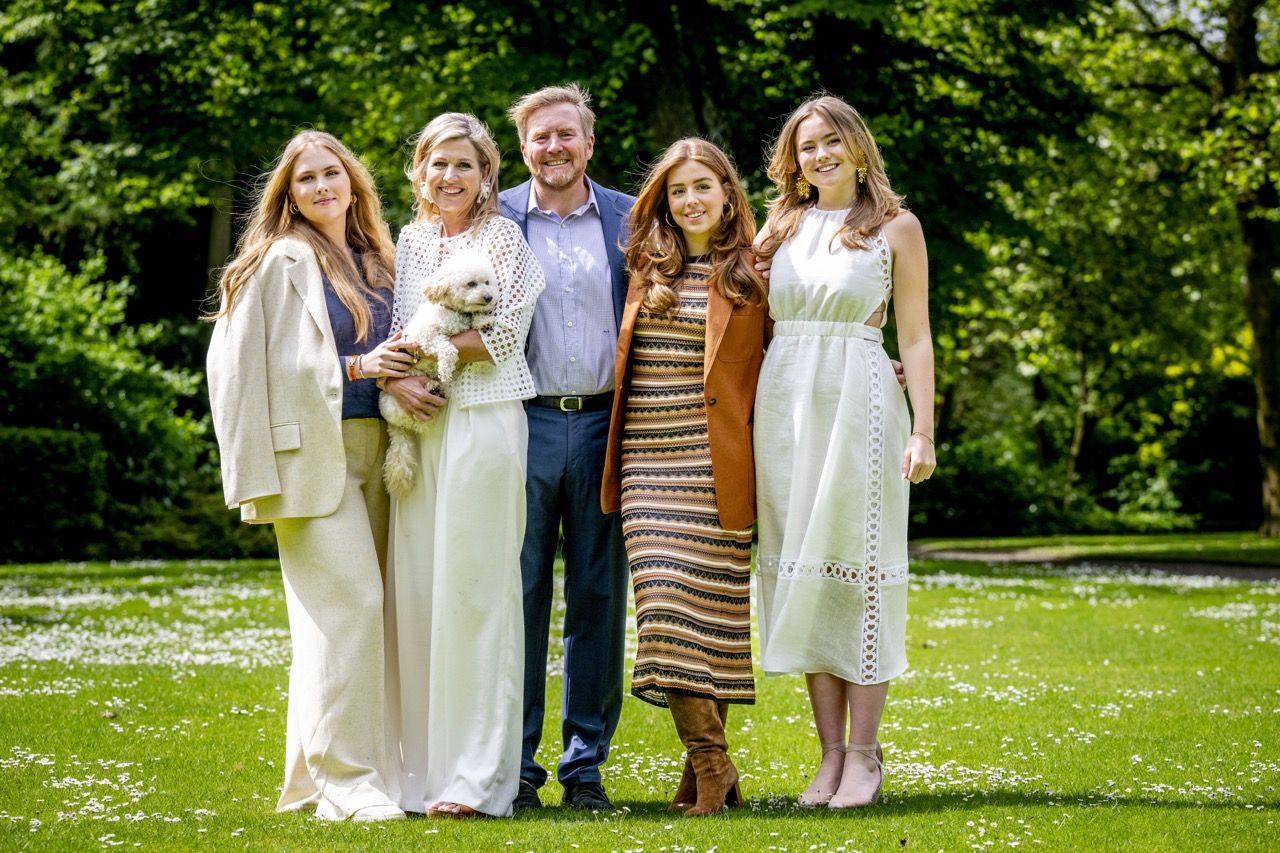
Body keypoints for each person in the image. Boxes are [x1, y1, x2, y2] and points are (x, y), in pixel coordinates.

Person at [206, 129, 413, 822]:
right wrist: (249, 479)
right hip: (307, 459)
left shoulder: (383, 259)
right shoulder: (272, 261)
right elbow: (234, 372)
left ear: (354, 182)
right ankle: (344, 784)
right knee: (350, 607)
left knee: (350, 622)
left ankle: (307, 777)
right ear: (287, 194)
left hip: (383, 452)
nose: (322, 187)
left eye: (333, 173)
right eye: (306, 179)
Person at [753, 94, 937, 810]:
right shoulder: (779, 225)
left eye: (831, 141)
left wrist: (923, 427)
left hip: (859, 400)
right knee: (805, 577)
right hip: (784, 405)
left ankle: (866, 753)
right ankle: (828, 757)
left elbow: (915, 336)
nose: (819, 155)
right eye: (806, 146)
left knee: (858, 572)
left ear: (858, 147)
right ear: (792, 160)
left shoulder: (898, 227)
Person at [380, 113, 545, 818]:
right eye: (437, 164)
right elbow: (393, 330)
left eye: (465, 166)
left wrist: (422, 358)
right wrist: (396, 379)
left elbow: (506, 333)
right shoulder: (408, 241)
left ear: (486, 177)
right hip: (417, 424)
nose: (449, 177)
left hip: (482, 422)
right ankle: (417, 775)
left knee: (477, 595)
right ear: (418, 172)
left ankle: (477, 779)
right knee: (416, 592)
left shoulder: (504, 238)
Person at [601, 138, 767, 816]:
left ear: (728, 193)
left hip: (718, 467)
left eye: (704, 185)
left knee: (712, 623)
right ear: (664, 202)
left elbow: (796, 356)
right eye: (678, 190)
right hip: (647, 464)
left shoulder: (756, 273)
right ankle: (713, 761)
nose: (691, 198)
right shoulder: (641, 267)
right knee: (665, 608)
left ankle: (703, 776)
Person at [497, 84, 635, 812]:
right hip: (521, 421)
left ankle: (585, 764)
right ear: (523, 149)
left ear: (589, 142)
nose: (553, 147)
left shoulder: (630, 216)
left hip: (608, 425)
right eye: (539, 137)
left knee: (597, 597)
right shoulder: (494, 219)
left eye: (565, 135)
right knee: (515, 595)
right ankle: (515, 764)